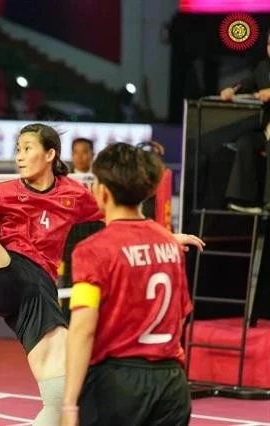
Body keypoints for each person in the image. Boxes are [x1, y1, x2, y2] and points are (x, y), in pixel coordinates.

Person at [0, 66, 203, 425]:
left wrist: (166, 236)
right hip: (0, 272)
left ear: (50, 154)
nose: (19, 156)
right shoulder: (2, 192)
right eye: (17, 149)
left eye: (27, 148)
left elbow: (121, 216)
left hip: (35, 295)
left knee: (58, 397)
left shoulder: (74, 194)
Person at [61, 143, 198, 426]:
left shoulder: (92, 250)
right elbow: (181, 314)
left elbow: (83, 329)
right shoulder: (170, 244)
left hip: (117, 385)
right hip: (171, 383)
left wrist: (69, 403)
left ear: (103, 192)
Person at [219, 30, 270, 214]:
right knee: (246, 142)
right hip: (267, 129)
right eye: (269, 44)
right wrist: (232, 90)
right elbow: (245, 83)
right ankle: (244, 200)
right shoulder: (263, 68)